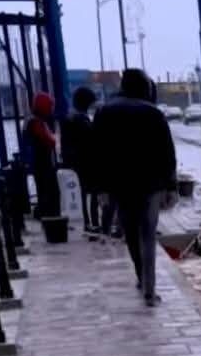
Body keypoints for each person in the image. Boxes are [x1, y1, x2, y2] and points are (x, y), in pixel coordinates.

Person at [93, 69, 176, 307]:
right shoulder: (153, 113)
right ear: (144, 87)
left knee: (130, 233)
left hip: (120, 185)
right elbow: (167, 153)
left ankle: (141, 276)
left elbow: (97, 153)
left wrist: (101, 188)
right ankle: (149, 288)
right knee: (148, 235)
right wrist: (171, 187)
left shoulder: (104, 112)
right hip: (151, 185)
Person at [61, 86, 99, 231]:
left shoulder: (69, 117)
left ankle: (87, 223)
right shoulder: (81, 119)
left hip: (74, 162)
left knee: (80, 195)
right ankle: (93, 223)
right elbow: (91, 140)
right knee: (92, 194)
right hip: (85, 163)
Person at [22, 91, 61, 219]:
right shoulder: (37, 122)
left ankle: (43, 211)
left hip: (37, 162)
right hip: (43, 162)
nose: (52, 109)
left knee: (42, 188)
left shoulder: (31, 120)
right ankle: (48, 214)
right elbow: (49, 141)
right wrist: (53, 139)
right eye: (50, 106)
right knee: (49, 190)